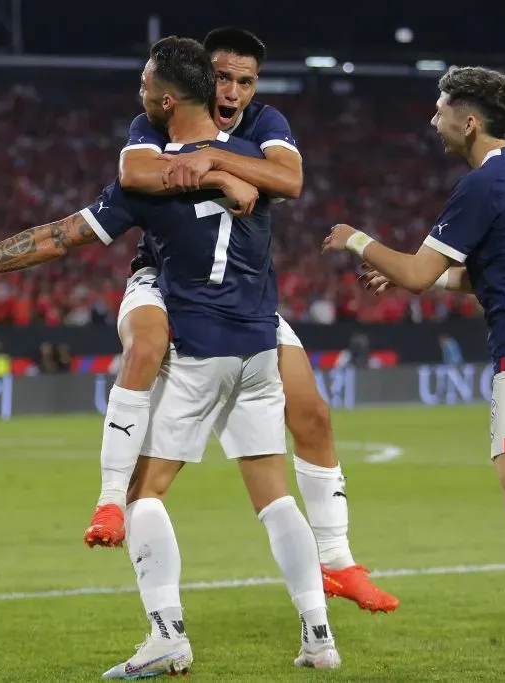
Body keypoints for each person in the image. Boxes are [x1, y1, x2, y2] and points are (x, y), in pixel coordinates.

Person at [0, 36, 339, 676]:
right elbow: (279, 181)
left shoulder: (150, 179)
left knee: (143, 493)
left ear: (163, 101)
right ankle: (319, 637)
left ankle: (167, 636)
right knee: (273, 494)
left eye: (142, 89)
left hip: (200, 351)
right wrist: (220, 171)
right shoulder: (255, 161)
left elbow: (60, 238)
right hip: (259, 348)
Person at [325, 66, 505, 682]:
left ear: (470, 121)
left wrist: (356, 239)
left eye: (439, 110)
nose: (432, 121)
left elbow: (412, 271)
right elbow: (498, 276)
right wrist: (422, 279)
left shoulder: (483, 184)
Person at [108, 26, 397, 611]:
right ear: (196, 79)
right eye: (222, 77)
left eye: (245, 80)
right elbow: (134, 175)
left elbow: (289, 182)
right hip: (167, 282)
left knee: (311, 411)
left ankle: (337, 560)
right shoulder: (156, 119)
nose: (234, 91)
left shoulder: (267, 123)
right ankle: (114, 498)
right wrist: (221, 172)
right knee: (149, 368)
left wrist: (212, 156)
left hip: (240, 293)